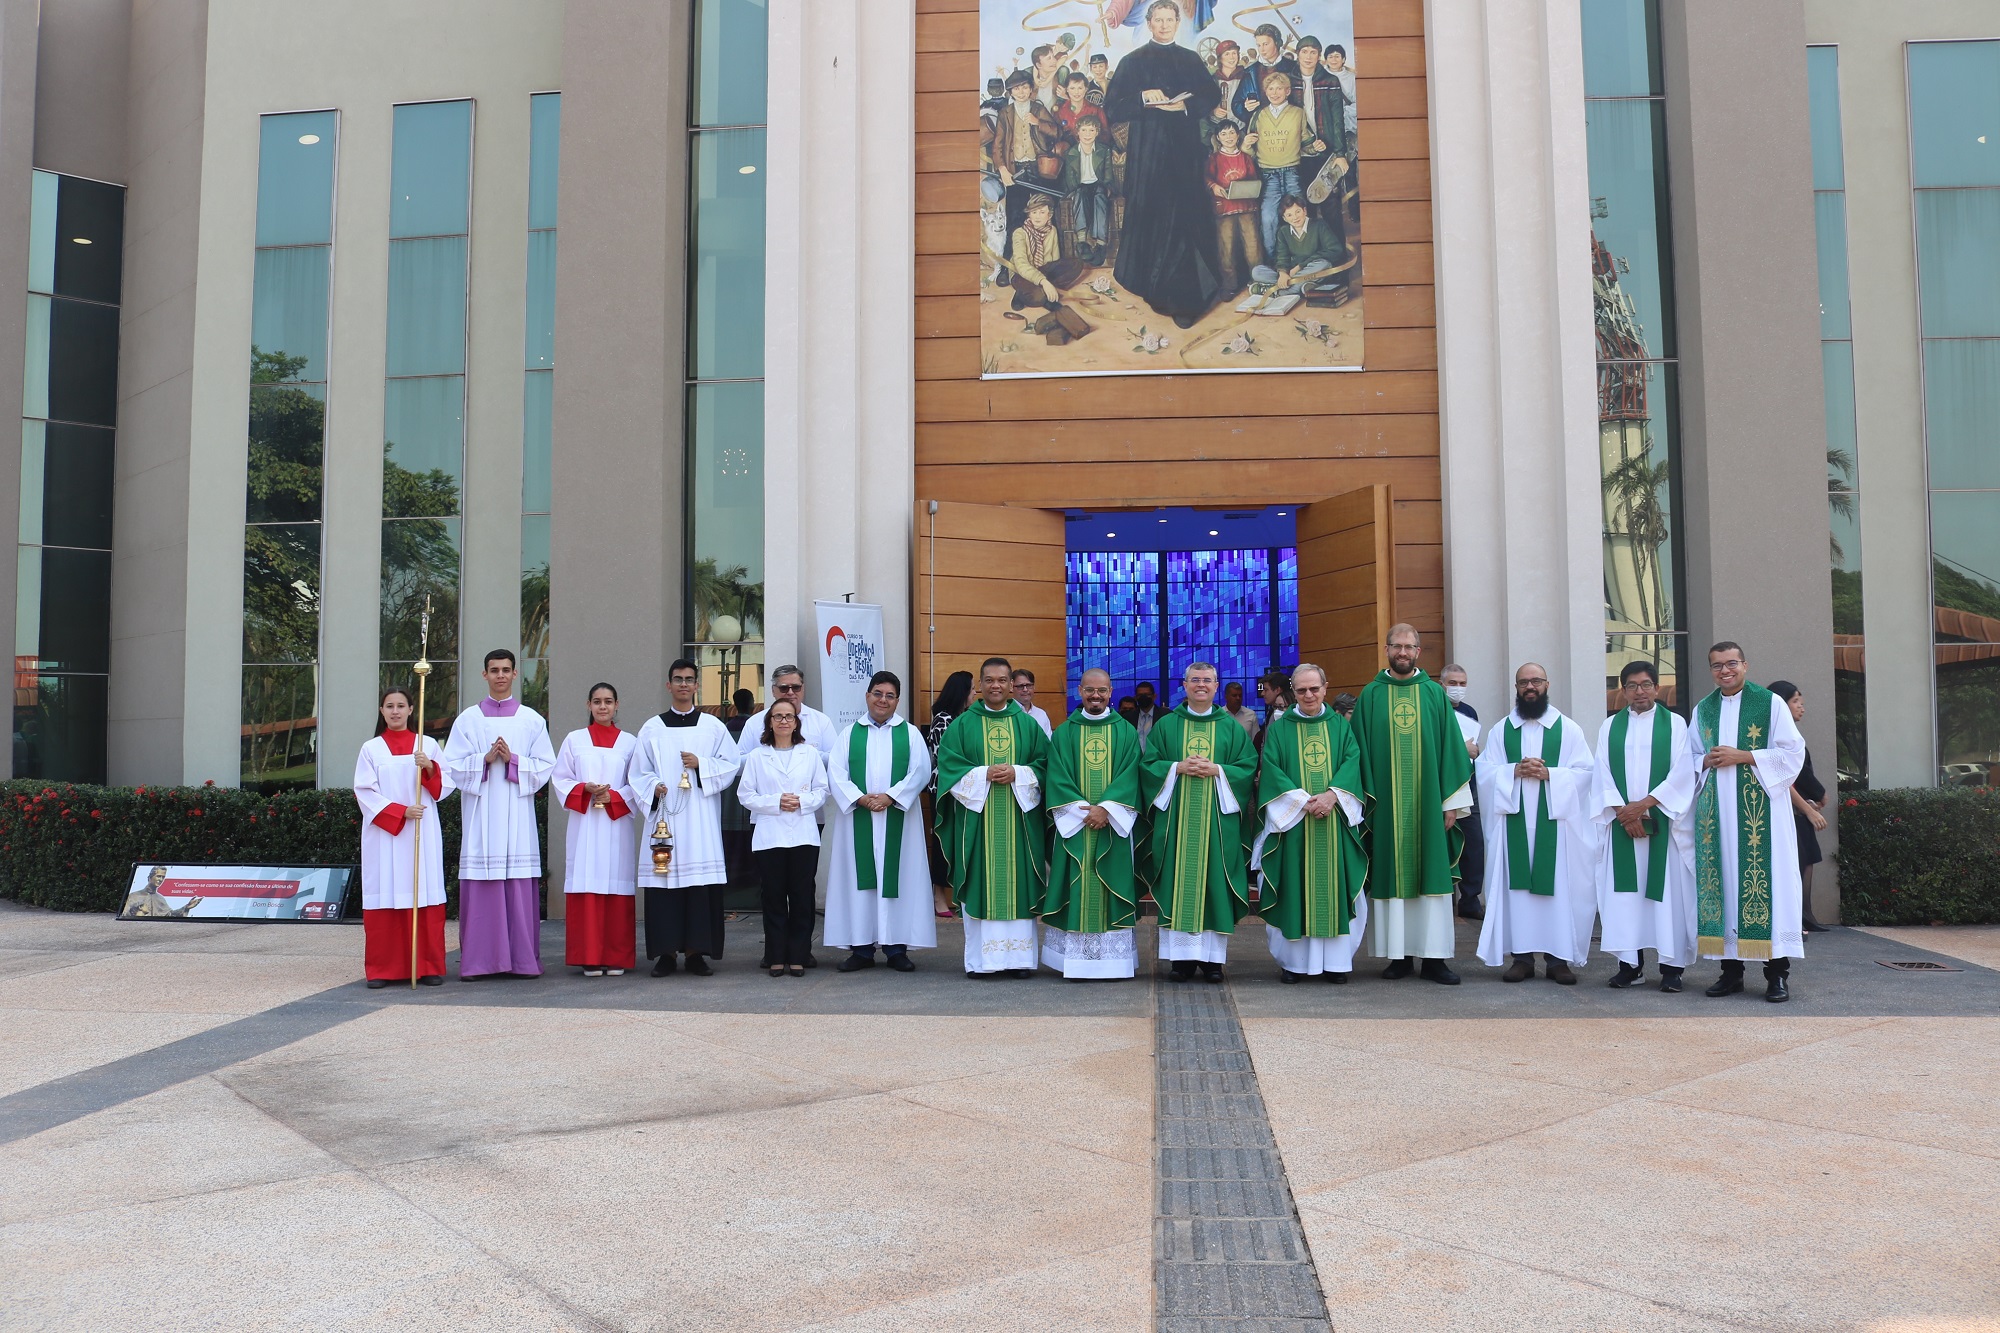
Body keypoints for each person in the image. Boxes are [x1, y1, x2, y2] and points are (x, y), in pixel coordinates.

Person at [1352, 624, 1474, 984]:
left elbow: (1451, 749)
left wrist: (1451, 803)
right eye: (1397, 646)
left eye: (1409, 646)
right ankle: (1399, 957)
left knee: (1431, 876)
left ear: (1418, 652)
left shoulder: (1434, 694)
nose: (1403, 652)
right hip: (1386, 810)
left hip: (1429, 806)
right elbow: (1358, 752)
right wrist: (1364, 805)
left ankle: (1435, 959)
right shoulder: (1371, 695)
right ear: (1387, 650)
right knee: (1391, 874)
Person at [1691, 643, 1809, 1002]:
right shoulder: (1703, 709)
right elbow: (1688, 756)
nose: (1725, 671)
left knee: (1770, 887)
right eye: (1717, 666)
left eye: (1731, 663)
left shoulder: (1770, 703)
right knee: (1726, 887)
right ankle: (1731, 973)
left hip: (1762, 819)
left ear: (1745, 665)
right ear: (1711, 670)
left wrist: (1743, 756)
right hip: (1717, 818)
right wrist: (1705, 761)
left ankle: (1777, 975)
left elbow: (1793, 752)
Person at [1473, 663, 1601, 985]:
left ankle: (1558, 961)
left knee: (1558, 892)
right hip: (1513, 826)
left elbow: (1587, 773)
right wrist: (1513, 771)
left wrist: (1550, 774)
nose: (1530, 687)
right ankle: (1522, 959)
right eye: (1523, 683)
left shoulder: (1568, 729)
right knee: (1518, 894)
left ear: (1547, 684)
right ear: (1516, 688)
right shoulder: (1501, 730)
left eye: (1536, 681)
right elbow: (1484, 772)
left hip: (1557, 829)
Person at [1105, 2, 1224, 328]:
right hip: (1149, 157)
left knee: (1185, 218)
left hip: (1184, 156)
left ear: (1177, 21)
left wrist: (1184, 107)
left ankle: (1187, 299)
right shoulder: (1132, 62)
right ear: (1149, 23)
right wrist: (1144, 97)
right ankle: (1155, 291)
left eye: (1169, 19)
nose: (1164, 25)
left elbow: (1210, 95)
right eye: (1158, 20)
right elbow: (1113, 108)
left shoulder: (1190, 59)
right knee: (1155, 219)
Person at [441, 650, 556, 980]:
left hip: (517, 816)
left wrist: (514, 760)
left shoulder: (531, 720)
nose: (500, 676)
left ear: (515, 674)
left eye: (506, 670)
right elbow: (451, 767)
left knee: (517, 881)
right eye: (494, 670)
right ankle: (480, 961)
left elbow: (546, 766)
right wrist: (485, 759)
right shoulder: (468, 720)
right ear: (485, 675)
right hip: (481, 816)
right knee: (483, 879)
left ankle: (522, 961)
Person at [1141, 661, 1258, 981]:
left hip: (1217, 825)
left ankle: (1212, 961)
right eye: (1195, 680)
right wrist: (1176, 767)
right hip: (1177, 823)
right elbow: (1148, 764)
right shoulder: (1167, 725)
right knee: (1178, 882)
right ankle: (1180, 961)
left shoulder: (1230, 727)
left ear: (1216, 686)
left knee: (1214, 884)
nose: (1201, 685)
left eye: (1207, 680)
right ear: (1185, 685)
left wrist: (1217, 770)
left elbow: (1248, 766)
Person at [1254, 664, 1369, 982]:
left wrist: (1332, 796)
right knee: (1293, 888)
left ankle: (1336, 963)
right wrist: (1303, 802)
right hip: (1294, 825)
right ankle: (1294, 963)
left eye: (1314, 689)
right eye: (1302, 689)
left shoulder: (1340, 726)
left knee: (1336, 889)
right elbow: (1272, 769)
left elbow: (1352, 761)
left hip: (1334, 821)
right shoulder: (1280, 728)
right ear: (1293, 690)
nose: (1308, 695)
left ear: (1325, 688)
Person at [935, 658, 1049, 976]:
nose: (995, 685)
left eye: (1001, 680)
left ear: (1011, 685)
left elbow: (1045, 764)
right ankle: (982, 962)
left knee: (1020, 885)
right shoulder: (962, 725)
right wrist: (983, 773)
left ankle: (1020, 961)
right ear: (980, 685)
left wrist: (1019, 773)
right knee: (979, 882)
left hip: (1019, 824)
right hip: (978, 824)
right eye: (989, 680)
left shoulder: (1028, 725)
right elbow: (948, 766)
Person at [1592, 661, 1698, 991]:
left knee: (1666, 898)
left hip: (1664, 824)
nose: (1640, 691)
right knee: (1627, 899)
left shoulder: (1675, 724)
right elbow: (1601, 773)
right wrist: (1624, 814)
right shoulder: (1610, 727)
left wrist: (1643, 806)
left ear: (1656, 687)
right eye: (1632, 686)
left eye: (1646, 684)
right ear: (1623, 691)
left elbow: (1682, 773)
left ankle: (1671, 969)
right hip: (1623, 825)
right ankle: (1630, 966)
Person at [632, 659, 741, 977]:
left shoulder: (712, 726)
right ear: (669, 685)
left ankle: (696, 953)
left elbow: (731, 763)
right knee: (663, 881)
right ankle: (665, 954)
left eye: (689, 679)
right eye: (678, 679)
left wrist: (701, 764)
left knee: (699, 885)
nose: (683, 684)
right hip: (665, 817)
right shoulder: (652, 728)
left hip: (699, 819)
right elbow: (638, 772)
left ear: (697, 686)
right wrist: (654, 787)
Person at [827, 671, 936, 972]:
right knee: (859, 882)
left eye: (890, 696)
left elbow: (920, 771)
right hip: (858, 819)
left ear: (897, 701)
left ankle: (896, 949)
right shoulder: (849, 734)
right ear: (867, 696)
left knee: (898, 880)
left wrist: (891, 797)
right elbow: (836, 773)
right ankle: (861, 950)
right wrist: (860, 799)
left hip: (897, 817)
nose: (883, 700)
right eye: (878, 693)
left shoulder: (909, 734)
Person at [1042, 668, 1143, 980]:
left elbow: (1132, 774)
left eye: (1101, 690)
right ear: (1080, 692)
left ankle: (1114, 963)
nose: (1095, 696)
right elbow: (1056, 776)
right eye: (1089, 690)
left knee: (1111, 881)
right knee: (1077, 883)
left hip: (1112, 825)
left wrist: (1107, 809)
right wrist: (1084, 812)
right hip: (1075, 826)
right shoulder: (1064, 733)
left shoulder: (1125, 732)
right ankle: (1074, 962)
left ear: (1110, 692)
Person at [354, 686, 452, 987]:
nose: (395, 711)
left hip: (422, 832)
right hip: (385, 835)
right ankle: (383, 968)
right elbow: (364, 792)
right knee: (386, 891)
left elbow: (445, 788)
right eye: (389, 706)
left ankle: (428, 966)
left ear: (411, 710)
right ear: (381, 711)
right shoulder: (371, 749)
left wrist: (430, 768)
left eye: (400, 706)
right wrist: (400, 812)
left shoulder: (428, 745)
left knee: (423, 890)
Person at [551, 683, 640, 977]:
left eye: (608, 701)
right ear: (588, 705)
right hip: (585, 826)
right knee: (587, 880)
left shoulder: (629, 743)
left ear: (617, 705)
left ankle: (616, 956)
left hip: (616, 826)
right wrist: (585, 789)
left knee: (615, 881)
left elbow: (638, 782)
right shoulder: (574, 740)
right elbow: (560, 778)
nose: (603, 707)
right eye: (597, 701)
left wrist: (614, 796)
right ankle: (589, 956)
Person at [737, 698, 828, 977]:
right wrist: (776, 802)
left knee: (801, 896)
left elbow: (822, 790)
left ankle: (798, 955)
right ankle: (775, 955)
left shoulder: (809, 754)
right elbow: (745, 794)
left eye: (789, 716)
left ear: (797, 722)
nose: (784, 721)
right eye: (778, 716)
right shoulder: (757, 756)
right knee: (773, 896)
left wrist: (801, 801)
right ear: (769, 722)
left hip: (803, 835)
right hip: (770, 835)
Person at [1769, 681, 1832, 933]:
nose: (1801, 708)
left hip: (1800, 810)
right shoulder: (1772, 739)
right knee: (1793, 864)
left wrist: (1812, 803)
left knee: (1807, 859)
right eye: (1795, 702)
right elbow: (1784, 778)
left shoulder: (1792, 738)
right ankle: (1794, 921)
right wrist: (1812, 806)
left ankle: (1805, 916)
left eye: (1801, 702)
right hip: (1785, 812)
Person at [924, 669, 975, 920]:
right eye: (972, 689)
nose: (975, 694)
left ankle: (959, 895)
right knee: (943, 842)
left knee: (962, 842)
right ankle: (938, 896)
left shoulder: (964, 718)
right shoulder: (943, 719)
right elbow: (945, 757)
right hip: (944, 789)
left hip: (965, 789)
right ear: (962, 692)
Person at [1439, 662, 1486, 919]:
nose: (1458, 688)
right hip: (1442, 787)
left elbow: (1474, 747)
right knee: (1444, 842)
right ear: (1442, 684)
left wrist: (1473, 752)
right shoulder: (1434, 707)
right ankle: (1444, 899)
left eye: (1462, 683)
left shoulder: (1469, 712)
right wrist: (1462, 748)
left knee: (1474, 843)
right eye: (1453, 683)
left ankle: (1470, 899)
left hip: (1469, 784)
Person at [993, 69, 1062, 240]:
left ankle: (1049, 252)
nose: (1021, 92)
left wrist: (1038, 122)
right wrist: (1002, 169)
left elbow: (1057, 132)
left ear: (1031, 89)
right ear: (1010, 92)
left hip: (1038, 168)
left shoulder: (1038, 109)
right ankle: (1013, 254)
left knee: (1046, 210)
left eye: (1024, 87)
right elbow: (998, 144)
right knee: (1015, 215)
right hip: (1015, 169)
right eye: (1016, 89)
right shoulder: (1005, 113)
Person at [1245, 73, 1309, 257]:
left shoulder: (1298, 113)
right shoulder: (1258, 115)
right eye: (1271, 89)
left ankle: (1302, 257)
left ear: (1287, 91)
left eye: (1279, 88)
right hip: (1268, 174)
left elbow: (1306, 142)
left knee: (1299, 215)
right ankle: (1274, 260)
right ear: (1265, 92)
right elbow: (1250, 150)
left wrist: (1316, 147)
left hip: (1292, 172)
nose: (1275, 93)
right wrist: (1245, 145)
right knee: (1268, 217)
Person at [736, 665, 839, 759]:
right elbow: (739, 761)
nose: (790, 692)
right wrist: (762, 758)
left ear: (803, 688)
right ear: (773, 690)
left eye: (796, 687)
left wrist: (808, 756)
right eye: (784, 688)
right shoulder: (754, 723)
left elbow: (835, 759)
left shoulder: (821, 721)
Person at [1252, 195, 1343, 299]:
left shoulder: (1319, 225)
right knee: (1257, 271)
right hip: (1292, 273)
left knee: (1324, 265)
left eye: (1298, 212)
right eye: (1289, 215)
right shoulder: (1283, 232)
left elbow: (1335, 250)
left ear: (1305, 211)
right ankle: (1303, 286)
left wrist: (1300, 266)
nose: (1295, 217)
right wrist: (1283, 273)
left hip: (1311, 269)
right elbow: (1282, 256)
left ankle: (1276, 292)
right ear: (1285, 218)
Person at [1009, 193, 1086, 312]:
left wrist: (1050, 279)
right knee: (1037, 298)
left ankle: (1045, 293)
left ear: (1049, 215)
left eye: (1042, 212)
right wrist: (1044, 282)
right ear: (1029, 214)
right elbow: (1021, 265)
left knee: (1077, 264)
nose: (1037, 217)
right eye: (1034, 212)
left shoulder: (1052, 230)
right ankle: (1022, 294)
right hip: (1022, 273)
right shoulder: (1019, 233)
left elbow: (1054, 260)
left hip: (1043, 269)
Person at [1062, 115, 1113, 266]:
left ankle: (1101, 242)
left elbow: (1108, 173)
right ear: (1078, 132)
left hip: (1098, 183)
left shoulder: (1104, 150)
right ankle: (1082, 240)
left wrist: (1108, 187)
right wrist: (1073, 190)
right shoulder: (1071, 152)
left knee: (1100, 199)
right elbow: (1070, 177)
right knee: (1079, 197)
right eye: (1084, 130)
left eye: (1091, 130)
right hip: (1080, 185)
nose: (1087, 134)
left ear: (1097, 132)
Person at [1013, 667, 1055, 737]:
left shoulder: (1041, 714)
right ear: (1011, 687)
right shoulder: (1007, 712)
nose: (1025, 689)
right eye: (1020, 686)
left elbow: (1047, 741)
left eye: (1029, 685)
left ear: (1034, 687)